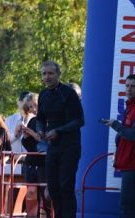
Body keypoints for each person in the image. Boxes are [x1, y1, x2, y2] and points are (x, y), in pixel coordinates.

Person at [35, 60, 84, 218]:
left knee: (65, 187)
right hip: (53, 146)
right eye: (44, 73)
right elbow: (40, 119)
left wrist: (58, 131)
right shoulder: (43, 95)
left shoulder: (68, 93)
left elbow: (79, 120)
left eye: (50, 73)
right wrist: (41, 130)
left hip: (70, 146)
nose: (47, 77)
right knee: (53, 188)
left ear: (58, 74)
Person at [103, 74, 135, 218]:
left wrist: (116, 125)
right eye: (127, 86)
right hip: (130, 161)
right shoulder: (133, 106)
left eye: (133, 86)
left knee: (128, 204)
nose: (129, 89)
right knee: (133, 203)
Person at [20, 92, 51, 217]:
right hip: (31, 162)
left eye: (35, 105)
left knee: (46, 196)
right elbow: (28, 145)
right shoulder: (32, 120)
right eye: (30, 107)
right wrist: (26, 136)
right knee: (32, 195)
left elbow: (44, 140)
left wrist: (31, 133)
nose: (33, 109)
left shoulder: (49, 119)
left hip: (44, 164)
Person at [5, 91, 32, 157]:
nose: (26, 105)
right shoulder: (9, 120)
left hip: (30, 162)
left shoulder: (37, 120)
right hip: (12, 162)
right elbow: (3, 142)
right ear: (18, 102)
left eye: (29, 102)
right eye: (24, 102)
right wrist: (15, 135)